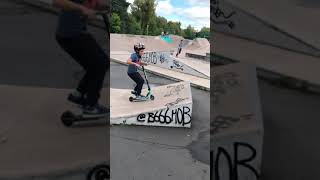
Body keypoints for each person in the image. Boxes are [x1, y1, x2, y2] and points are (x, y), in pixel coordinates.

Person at [53, 0, 109, 116]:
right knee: (101, 63)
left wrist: (101, 6)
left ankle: (78, 95)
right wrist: (82, 9)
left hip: (76, 33)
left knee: (95, 65)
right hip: (70, 35)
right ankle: (90, 106)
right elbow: (57, 2)